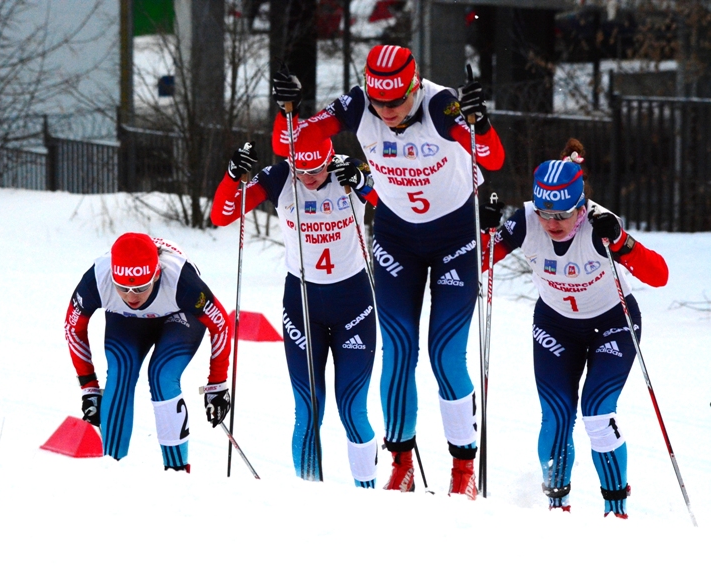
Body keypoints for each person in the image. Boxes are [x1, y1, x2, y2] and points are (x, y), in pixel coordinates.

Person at [271, 45, 506, 495]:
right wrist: (288, 112)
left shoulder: (441, 105)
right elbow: (291, 143)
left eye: (396, 102)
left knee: (444, 354)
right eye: (380, 103)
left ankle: (462, 471)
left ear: (414, 86)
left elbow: (492, 158)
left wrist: (481, 122)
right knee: (398, 349)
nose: (388, 112)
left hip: (455, 237)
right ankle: (400, 464)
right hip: (397, 239)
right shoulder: (359, 103)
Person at [481, 138, 669, 517]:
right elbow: (475, 261)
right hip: (556, 325)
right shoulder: (526, 222)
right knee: (557, 413)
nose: (551, 223)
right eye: (545, 213)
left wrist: (622, 242)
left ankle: (616, 512)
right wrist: (483, 231)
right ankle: (557, 508)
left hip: (614, 323)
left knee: (598, 411)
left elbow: (659, 276)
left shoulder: (601, 224)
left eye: (562, 215)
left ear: (581, 207)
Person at [210, 130, 380, 487]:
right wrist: (231, 176)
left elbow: (389, 205)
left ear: (329, 158)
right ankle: (308, 496)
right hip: (302, 306)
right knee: (308, 408)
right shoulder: (279, 178)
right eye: (300, 170)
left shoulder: (349, 170)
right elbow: (222, 215)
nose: (308, 178)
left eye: (316, 170)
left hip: (354, 306)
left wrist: (363, 183)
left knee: (352, 408)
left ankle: (368, 498)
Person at [64, 232, 233, 470]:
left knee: (162, 375)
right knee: (121, 369)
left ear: (156, 275)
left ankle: (177, 470)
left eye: (140, 288)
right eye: (122, 288)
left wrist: (217, 384)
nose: (131, 296)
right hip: (128, 321)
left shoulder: (180, 279)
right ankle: (111, 467)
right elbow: (73, 328)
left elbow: (220, 324)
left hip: (178, 316)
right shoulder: (97, 279)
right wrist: (89, 387)